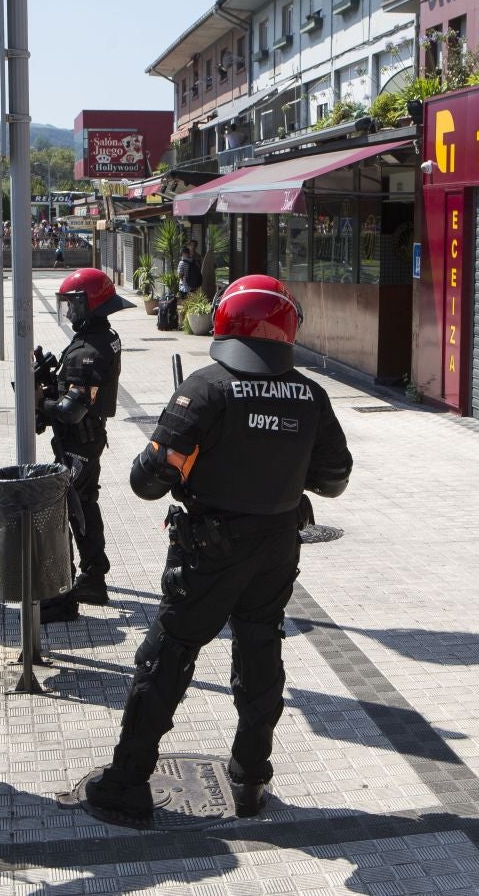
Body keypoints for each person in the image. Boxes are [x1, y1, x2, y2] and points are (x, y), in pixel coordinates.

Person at [85, 274, 352, 820]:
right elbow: (334, 479)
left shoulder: (204, 388)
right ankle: (251, 776)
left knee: (168, 654)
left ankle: (127, 781)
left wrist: (187, 460)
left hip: (208, 547)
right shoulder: (311, 394)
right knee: (260, 651)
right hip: (277, 544)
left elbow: (146, 481)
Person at [37, 267, 134, 622]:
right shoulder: (102, 336)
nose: (71, 311)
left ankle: (75, 585)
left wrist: (40, 403)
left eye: (75, 304)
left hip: (79, 441)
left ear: (91, 304)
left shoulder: (89, 349)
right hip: (87, 440)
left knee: (67, 509)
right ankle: (93, 575)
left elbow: (71, 410)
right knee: (84, 505)